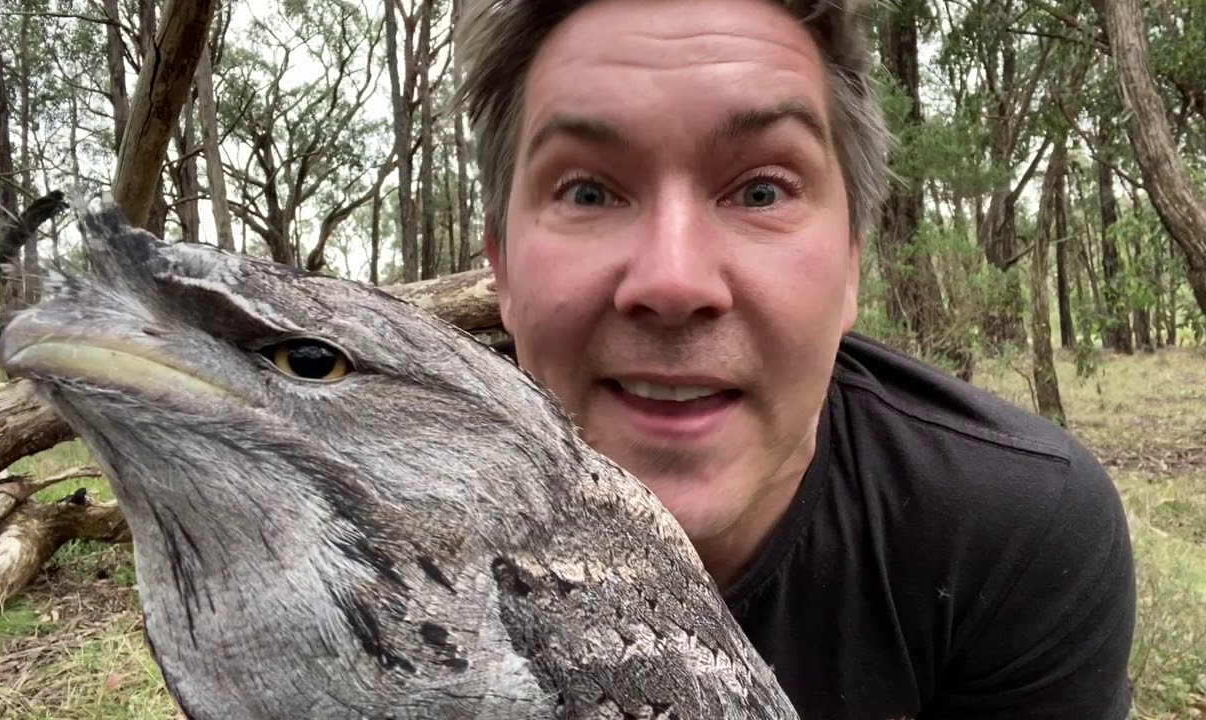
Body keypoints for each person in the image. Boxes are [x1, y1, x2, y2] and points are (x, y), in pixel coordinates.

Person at [452, 0, 1138, 718]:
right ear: (502, 267)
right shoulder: (372, 524)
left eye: (761, 191)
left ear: (852, 264)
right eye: (588, 192)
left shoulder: (1010, 538)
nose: (674, 282)